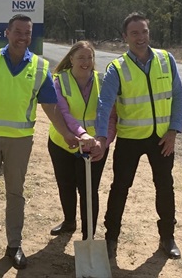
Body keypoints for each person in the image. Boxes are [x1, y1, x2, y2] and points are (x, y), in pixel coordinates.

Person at [0, 14, 83, 270]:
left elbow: (51, 107)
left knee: (15, 194)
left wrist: (68, 133)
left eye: (27, 33)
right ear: (7, 32)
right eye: (18, 31)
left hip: (20, 141)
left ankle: (14, 245)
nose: (23, 37)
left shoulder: (39, 67)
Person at [95, 12, 182, 260]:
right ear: (125, 37)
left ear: (149, 32)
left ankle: (167, 237)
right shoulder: (116, 68)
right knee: (120, 188)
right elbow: (104, 105)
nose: (140, 37)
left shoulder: (166, 60)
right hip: (130, 139)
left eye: (144, 31)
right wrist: (101, 138)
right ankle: (111, 238)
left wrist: (174, 130)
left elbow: (178, 95)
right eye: (134, 33)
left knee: (165, 186)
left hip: (162, 138)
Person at [48, 41, 116, 239]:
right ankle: (69, 222)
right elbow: (64, 113)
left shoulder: (103, 82)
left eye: (89, 57)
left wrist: (104, 142)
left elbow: (111, 116)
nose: (86, 62)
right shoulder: (60, 80)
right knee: (66, 185)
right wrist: (82, 134)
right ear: (71, 59)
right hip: (63, 143)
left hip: (95, 147)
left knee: (89, 190)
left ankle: (89, 236)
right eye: (81, 58)